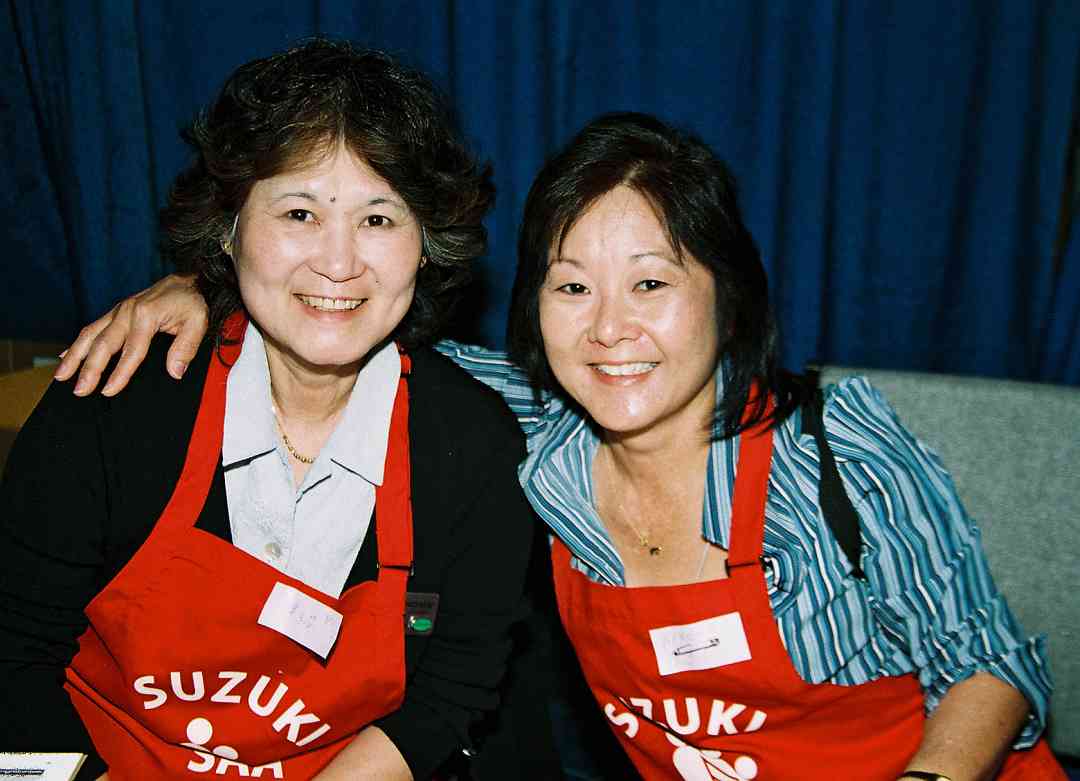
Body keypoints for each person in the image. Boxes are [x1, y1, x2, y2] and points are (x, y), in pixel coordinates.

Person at [51, 113, 1065, 780]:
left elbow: (991, 664)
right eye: (572, 284)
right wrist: (201, 286)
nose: (608, 327)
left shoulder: (830, 449)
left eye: (653, 284)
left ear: (728, 295)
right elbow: (341, 315)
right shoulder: (526, 432)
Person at [0, 40, 541, 781]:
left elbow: (450, 691)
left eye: (379, 219)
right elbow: (12, 657)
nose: (339, 261)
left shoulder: (473, 445)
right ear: (227, 230)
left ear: (427, 245)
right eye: (299, 212)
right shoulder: (119, 396)